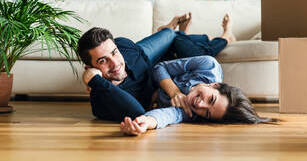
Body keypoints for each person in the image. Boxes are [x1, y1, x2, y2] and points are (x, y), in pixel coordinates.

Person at [77, 13, 236, 122]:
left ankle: (173, 29)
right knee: (192, 48)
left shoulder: (124, 49)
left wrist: (174, 91)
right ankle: (224, 37)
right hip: (161, 64)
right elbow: (137, 113)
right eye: (103, 61)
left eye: (113, 52)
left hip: (143, 55)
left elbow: (122, 53)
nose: (115, 63)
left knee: (171, 36)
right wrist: (94, 80)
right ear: (91, 68)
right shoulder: (103, 100)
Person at [120, 55, 274, 136]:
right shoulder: (208, 66)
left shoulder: (191, 112)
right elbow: (159, 67)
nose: (200, 105)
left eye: (207, 113)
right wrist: (175, 92)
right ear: (215, 85)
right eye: (211, 99)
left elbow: (168, 115)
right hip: (158, 63)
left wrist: (146, 122)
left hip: (145, 88)